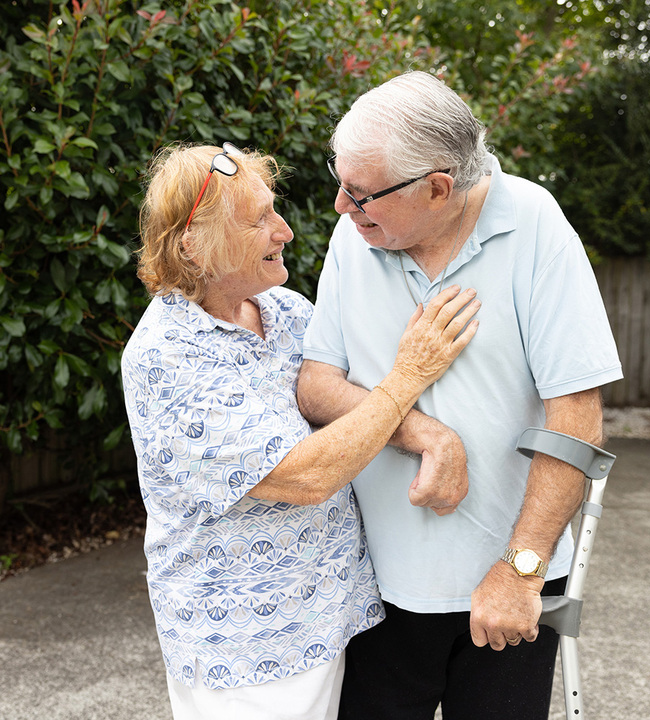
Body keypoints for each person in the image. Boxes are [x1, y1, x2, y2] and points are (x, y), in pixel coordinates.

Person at [296, 71, 623, 720]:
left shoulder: (534, 224)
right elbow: (317, 385)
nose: (340, 206)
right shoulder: (355, 236)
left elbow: (577, 418)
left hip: (504, 593)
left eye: (360, 193)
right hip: (370, 589)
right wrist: (424, 433)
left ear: (438, 188)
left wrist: (522, 570)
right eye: (340, 182)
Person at [120, 142, 480, 720]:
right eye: (258, 219)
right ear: (193, 245)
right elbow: (305, 476)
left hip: (332, 618)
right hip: (245, 647)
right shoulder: (168, 354)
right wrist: (410, 374)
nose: (284, 231)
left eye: (274, 209)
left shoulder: (283, 311)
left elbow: (343, 407)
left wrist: (429, 436)